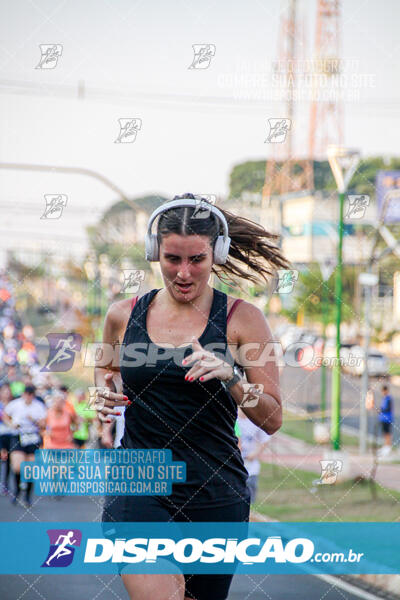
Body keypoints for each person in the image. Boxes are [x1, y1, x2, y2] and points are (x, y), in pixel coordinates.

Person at [95, 194, 287, 600]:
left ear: (217, 253)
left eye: (196, 259)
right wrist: (104, 392)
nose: (183, 272)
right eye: (172, 259)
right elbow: (106, 369)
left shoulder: (243, 319)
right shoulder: (122, 315)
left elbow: (272, 417)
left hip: (214, 490)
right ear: (154, 253)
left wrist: (231, 377)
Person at [2, 384, 47, 506]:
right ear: (23, 394)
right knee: (17, 466)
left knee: (30, 468)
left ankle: (27, 495)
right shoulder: (15, 404)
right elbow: (5, 414)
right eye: (26, 395)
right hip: (18, 436)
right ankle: (17, 490)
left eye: (30, 395)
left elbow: (43, 424)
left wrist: (34, 420)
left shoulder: (39, 406)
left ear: (33, 396)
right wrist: (11, 424)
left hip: (32, 437)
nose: (28, 397)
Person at [237, 408, 270, 505]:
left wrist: (255, 454)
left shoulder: (256, 420)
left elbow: (265, 440)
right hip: (235, 464)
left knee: (250, 496)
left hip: (251, 465)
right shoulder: (233, 419)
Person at [377, 384, 394, 457]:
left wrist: (381, 410)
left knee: (388, 433)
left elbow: (388, 409)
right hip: (383, 419)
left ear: (386, 391)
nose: (383, 392)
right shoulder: (384, 398)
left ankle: (388, 447)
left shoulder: (389, 398)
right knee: (384, 433)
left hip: (387, 418)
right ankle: (385, 446)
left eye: (384, 391)